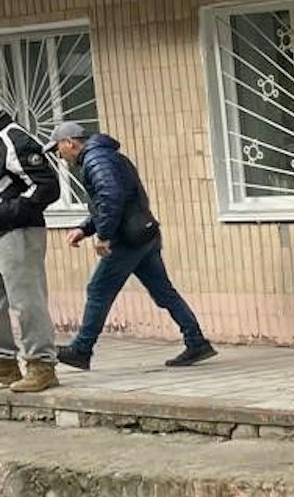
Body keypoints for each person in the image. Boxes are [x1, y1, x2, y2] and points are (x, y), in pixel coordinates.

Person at [51, 124, 215, 373]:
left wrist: (104, 236)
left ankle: (81, 350)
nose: (59, 155)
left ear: (70, 142)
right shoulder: (106, 156)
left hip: (126, 240)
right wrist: (85, 229)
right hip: (143, 233)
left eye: (58, 149)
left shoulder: (96, 160)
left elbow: (110, 197)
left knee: (98, 290)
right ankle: (196, 342)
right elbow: (111, 201)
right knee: (163, 291)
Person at [0, 109, 61, 392]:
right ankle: (5, 366)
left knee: (25, 298)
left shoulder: (13, 136)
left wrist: (8, 212)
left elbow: (47, 185)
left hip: (18, 230)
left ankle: (41, 364)